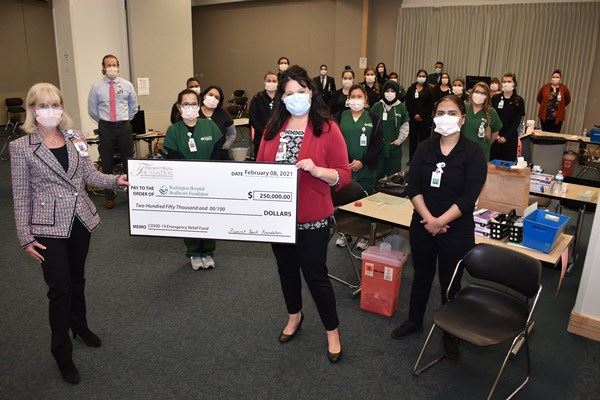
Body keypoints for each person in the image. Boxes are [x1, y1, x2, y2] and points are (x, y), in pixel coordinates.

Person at [10, 83, 129, 384]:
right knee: (59, 288)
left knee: (77, 278)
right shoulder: (21, 147)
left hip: (80, 221)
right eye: (43, 106)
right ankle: (61, 352)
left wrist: (118, 180)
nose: (50, 111)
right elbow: (21, 195)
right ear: (32, 110)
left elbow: (89, 175)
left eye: (55, 105)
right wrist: (25, 235)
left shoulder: (75, 138)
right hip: (47, 227)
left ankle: (80, 325)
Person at [256, 65, 351, 363]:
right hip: (277, 216)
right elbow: (257, 168)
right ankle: (294, 315)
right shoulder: (272, 130)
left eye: (301, 91)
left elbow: (344, 176)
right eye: (289, 93)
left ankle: (332, 330)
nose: (296, 97)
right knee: (286, 270)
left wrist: (317, 169)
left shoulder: (328, 128)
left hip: (313, 216)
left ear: (311, 93)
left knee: (315, 274)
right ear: (281, 99)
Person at [390, 95, 487, 361]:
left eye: (453, 112)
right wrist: (429, 220)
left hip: (456, 229)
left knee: (451, 282)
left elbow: (469, 197)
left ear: (463, 118)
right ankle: (414, 320)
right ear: (434, 117)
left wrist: (440, 222)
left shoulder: (474, 152)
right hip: (422, 223)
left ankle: (450, 333)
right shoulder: (424, 148)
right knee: (421, 274)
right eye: (441, 112)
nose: (446, 117)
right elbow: (413, 187)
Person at [163, 89, 223, 270]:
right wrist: (189, 175)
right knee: (190, 216)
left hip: (209, 179)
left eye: (194, 103)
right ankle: (194, 253)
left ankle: (208, 252)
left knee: (208, 215)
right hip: (185, 183)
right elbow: (172, 156)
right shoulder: (174, 130)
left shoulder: (210, 126)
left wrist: (208, 173)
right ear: (179, 106)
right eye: (185, 104)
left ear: (199, 105)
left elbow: (218, 150)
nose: (190, 107)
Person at [87, 54, 138, 210]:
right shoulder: (96, 87)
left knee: (128, 161)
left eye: (114, 65)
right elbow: (92, 110)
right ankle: (109, 196)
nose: (111, 68)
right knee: (107, 162)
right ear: (103, 67)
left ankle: (132, 194)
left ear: (118, 67)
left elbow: (133, 108)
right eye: (108, 65)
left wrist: (123, 120)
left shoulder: (127, 85)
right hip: (106, 127)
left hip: (124, 127)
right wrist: (106, 121)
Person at [371, 80, 410, 178]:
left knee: (393, 176)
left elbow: (405, 126)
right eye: (387, 90)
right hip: (379, 147)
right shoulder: (377, 106)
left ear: (397, 92)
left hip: (394, 147)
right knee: (377, 174)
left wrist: (399, 140)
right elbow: (370, 124)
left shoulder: (401, 107)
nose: (390, 93)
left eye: (393, 91)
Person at [461, 82, 503, 161]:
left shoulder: (491, 112)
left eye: (483, 93)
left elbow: (495, 131)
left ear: (487, 96)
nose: (479, 95)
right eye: (477, 92)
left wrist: (487, 144)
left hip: (481, 152)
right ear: (472, 93)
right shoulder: (464, 107)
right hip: (463, 150)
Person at [491, 73, 525, 162]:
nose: (506, 84)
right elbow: (491, 117)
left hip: (510, 137)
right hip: (495, 136)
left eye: (509, 81)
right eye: (504, 81)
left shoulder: (519, 100)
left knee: (508, 164)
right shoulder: (495, 98)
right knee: (493, 164)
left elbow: (517, 121)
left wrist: (506, 137)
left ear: (514, 83)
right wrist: (497, 136)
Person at [199, 86, 236, 160]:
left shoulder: (224, 114)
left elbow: (232, 134)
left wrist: (224, 146)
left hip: (220, 155)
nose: (213, 98)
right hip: (199, 154)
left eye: (217, 97)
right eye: (210, 95)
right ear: (204, 96)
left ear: (219, 101)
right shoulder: (195, 113)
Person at [405, 69, 434, 159]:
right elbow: (408, 103)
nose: (421, 78)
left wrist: (421, 115)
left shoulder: (430, 89)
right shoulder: (411, 88)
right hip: (413, 118)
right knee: (413, 139)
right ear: (417, 77)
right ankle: (412, 158)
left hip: (425, 119)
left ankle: (422, 158)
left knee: (423, 139)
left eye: (423, 76)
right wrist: (414, 115)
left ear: (426, 78)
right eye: (420, 76)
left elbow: (430, 104)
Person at [249, 72, 279, 159]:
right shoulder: (256, 98)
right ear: (264, 82)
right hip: (261, 138)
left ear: (277, 83)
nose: (271, 83)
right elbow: (253, 119)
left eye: (274, 81)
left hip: (278, 138)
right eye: (268, 81)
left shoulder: (282, 99)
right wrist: (265, 132)